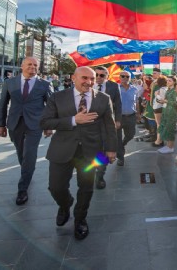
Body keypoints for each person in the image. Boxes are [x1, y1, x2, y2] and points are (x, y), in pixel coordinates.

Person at [39, 66, 117, 240]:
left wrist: (111, 149)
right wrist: (74, 120)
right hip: (62, 150)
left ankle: (80, 219)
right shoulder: (57, 97)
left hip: (90, 152)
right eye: (85, 78)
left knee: (86, 187)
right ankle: (65, 204)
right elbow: (45, 122)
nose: (89, 82)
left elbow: (109, 127)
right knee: (56, 187)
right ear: (73, 78)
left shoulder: (104, 99)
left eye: (92, 78)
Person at [0, 57, 53, 205]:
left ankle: (23, 188)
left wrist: (49, 126)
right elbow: (2, 104)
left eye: (36, 65)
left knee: (30, 153)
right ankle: (27, 171)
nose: (33, 67)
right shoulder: (10, 82)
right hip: (15, 123)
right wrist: (1, 124)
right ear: (22, 66)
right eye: (29, 64)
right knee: (20, 152)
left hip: (35, 124)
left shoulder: (45, 84)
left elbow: (50, 107)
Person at [92, 66, 122, 189]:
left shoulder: (114, 86)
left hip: (106, 123)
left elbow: (118, 104)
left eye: (102, 75)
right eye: (96, 74)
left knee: (104, 150)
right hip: (88, 124)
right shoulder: (86, 84)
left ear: (107, 76)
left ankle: (100, 175)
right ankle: (90, 172)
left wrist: (118, 119)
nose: (98, 77)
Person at [157, 75, 177, 154]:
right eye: (167, 80)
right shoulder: (168, 89)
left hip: (172, 112)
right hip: (166, 111)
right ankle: (168, 145)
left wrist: (166, 101)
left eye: (170, 81)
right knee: (166, 127)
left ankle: (170, 147)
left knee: (170, 129)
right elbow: (166, 100)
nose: (167, 82)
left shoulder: (175, 91)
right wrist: (161, 101)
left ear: (174, 82)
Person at [117, 70, 138, 165]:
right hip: (118, 117)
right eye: (123, 76)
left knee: (131, 135)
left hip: (131, 116)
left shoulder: (135, 89)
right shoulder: (115, 89)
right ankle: (121, 158)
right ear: (119, 77)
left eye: (127, 77)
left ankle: (122, 144)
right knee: (117, 137)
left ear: (130, 78)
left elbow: (136, 102)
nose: (125, 78)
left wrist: (139, 114)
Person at [152, 75, 169, 146]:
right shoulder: (166, 88)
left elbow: (161, 100)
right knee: (160, 125)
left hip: (159, 108)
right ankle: (160, 140)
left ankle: (158, 141)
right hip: (161, 108)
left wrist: (156, 95)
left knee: (159, 125)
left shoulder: (162, 89)